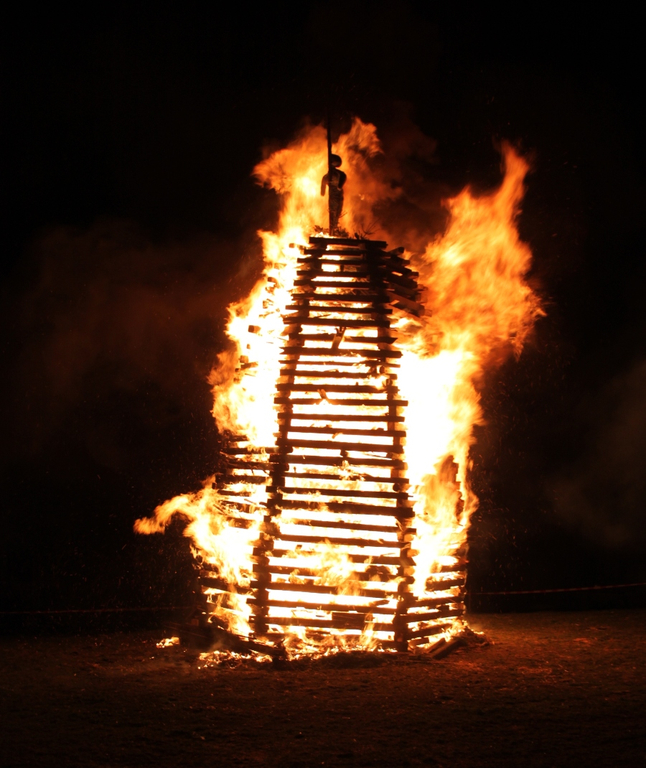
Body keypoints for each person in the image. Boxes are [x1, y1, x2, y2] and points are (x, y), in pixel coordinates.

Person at [321, 154, 347, 233]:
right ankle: (333, 228)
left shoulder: (338, 174)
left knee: (337, 211)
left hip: (338, 195)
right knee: (333, 211)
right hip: (333, 195)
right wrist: (323, 190)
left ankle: (334, 227)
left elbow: (343, 176)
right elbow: (323, 182)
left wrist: (339, 186)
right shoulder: (328, 176)